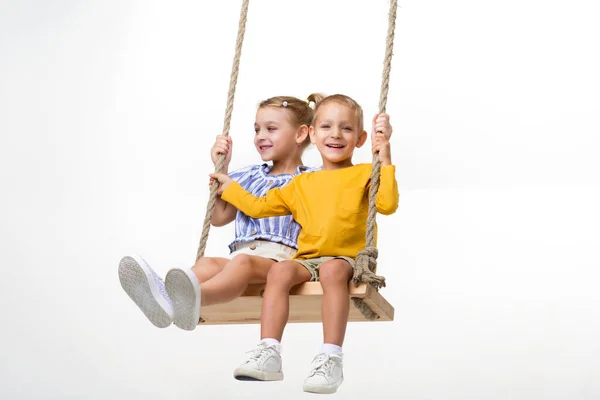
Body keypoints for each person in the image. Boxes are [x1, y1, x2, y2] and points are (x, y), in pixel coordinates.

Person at [211, 94, 399, 394]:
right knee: (280, 272)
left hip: (347, 259)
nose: (335, 134)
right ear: (312, 133)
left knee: (332, 272)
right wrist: (229, 186)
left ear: (362, 138)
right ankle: (269, 352)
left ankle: (330, 356)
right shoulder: (300, 184)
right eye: (326, 126)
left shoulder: (365, 173)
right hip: (307, 260)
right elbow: (258, 207)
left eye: (346, 129)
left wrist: (384, 157)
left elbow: (387, 204)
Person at [118, 94, 321, 330]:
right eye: (257, 130)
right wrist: (222, 168)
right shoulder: (248, 176)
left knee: (243, 263)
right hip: (243, 257)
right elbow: (219, 218)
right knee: (208, 264)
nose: (261, 136)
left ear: (300, 134)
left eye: (271, 129)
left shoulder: (310, 180)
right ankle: (165, 294)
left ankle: (190, 299)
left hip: (284, 263)